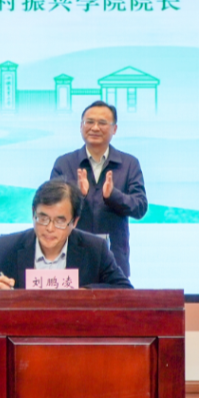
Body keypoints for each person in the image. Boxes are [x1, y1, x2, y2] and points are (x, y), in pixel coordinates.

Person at [0, 179, 132, 290]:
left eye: (59, 221)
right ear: (33, 214)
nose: (49, 228)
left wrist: (86, 292)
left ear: (74, 221)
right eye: (42, 218)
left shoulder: (95, 249)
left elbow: (125, 290)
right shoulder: (5, 247)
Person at [50, 101, 146, 277]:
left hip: (114, 260)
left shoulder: (129, 164)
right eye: (89, 122)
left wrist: (113, 195)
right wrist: (77, 194)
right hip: (70, 259)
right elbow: (52, 210)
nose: (95, 128)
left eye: (102, 123)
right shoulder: (64, 163)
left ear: (114, 129)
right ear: (81, 126)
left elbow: (140, 208)